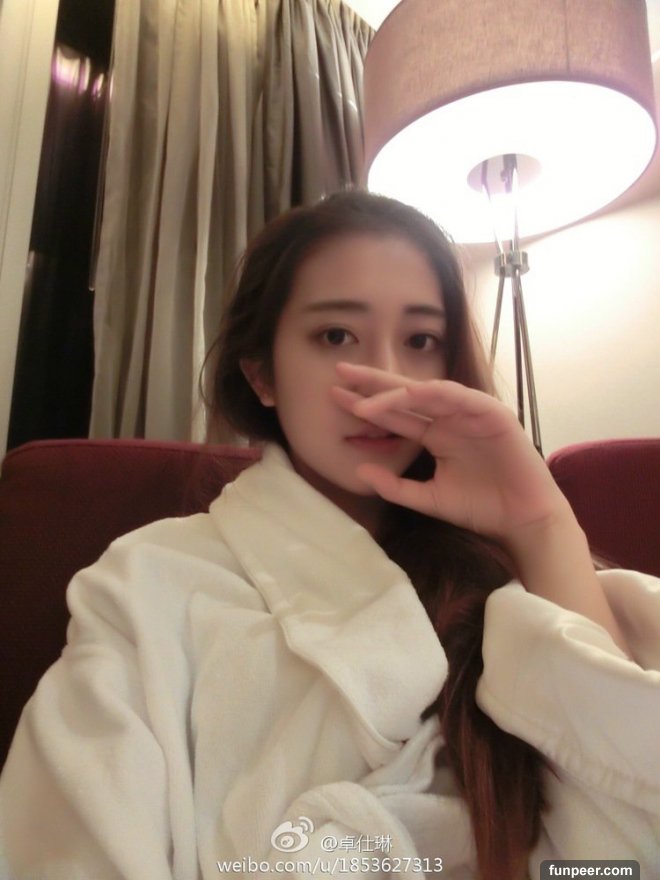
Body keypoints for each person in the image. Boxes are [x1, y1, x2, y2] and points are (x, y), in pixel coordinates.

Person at [0, 190, 658, 880]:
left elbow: (631, 825)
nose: (384, 382)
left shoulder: (511, 574)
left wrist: (543, 526)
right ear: (261, 374)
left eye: (420, 341)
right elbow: (69, 844)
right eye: (336, 336)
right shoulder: (148, 577)